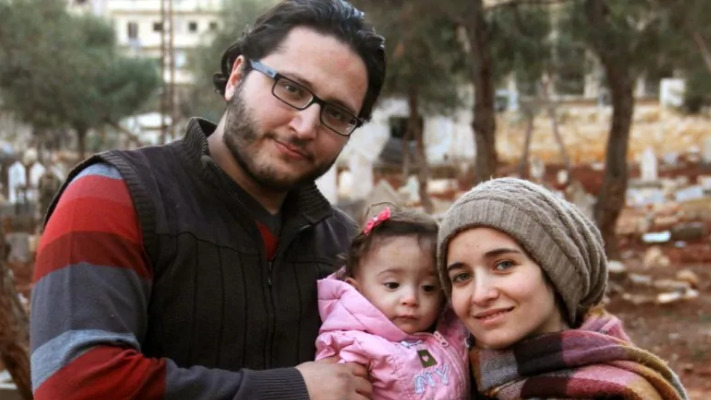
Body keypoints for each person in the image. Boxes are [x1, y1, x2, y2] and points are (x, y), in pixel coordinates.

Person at [30, 0, 386, 399]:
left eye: (337, 114)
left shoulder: (346, 249)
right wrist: (290, 391)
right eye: (291, 88)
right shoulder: (113, 195)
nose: (305, 126)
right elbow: (73, 385)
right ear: (237, 77)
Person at [436, 178, 688, 400]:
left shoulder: (617, 393)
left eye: (504, 265)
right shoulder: (443, 381)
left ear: (557, 273)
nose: (481, 294)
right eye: (461, 277)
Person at [316, 206, 469, 400]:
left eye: (428, 287)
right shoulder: (353, 346)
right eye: (392, 285)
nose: (411, 299)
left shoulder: (451, 328)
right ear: (356, 289)